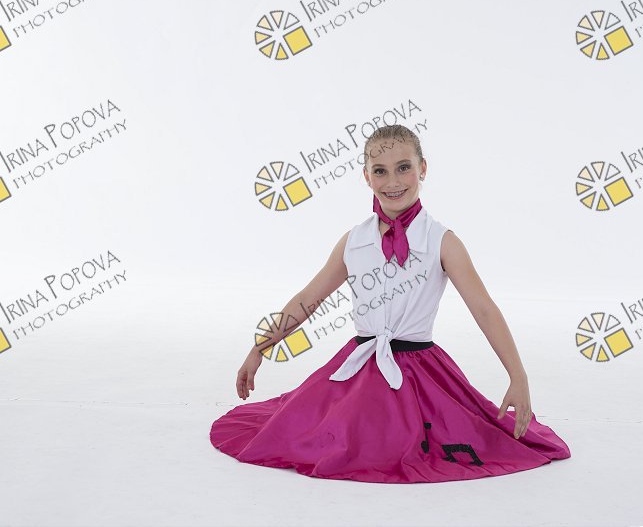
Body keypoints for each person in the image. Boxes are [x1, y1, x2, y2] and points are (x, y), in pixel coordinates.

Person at [209, 125, 571, 483]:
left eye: (404, 167)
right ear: (366, 176)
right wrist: (260, 347)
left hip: (420, 372)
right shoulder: (354, 240)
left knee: (435, 443)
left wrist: (518, 376)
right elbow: (308, 299)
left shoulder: (442, 241)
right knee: (322, 436)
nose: (393, 181)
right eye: (380, 171)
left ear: (422, 169)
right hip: (360, 369)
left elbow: (484, 309)